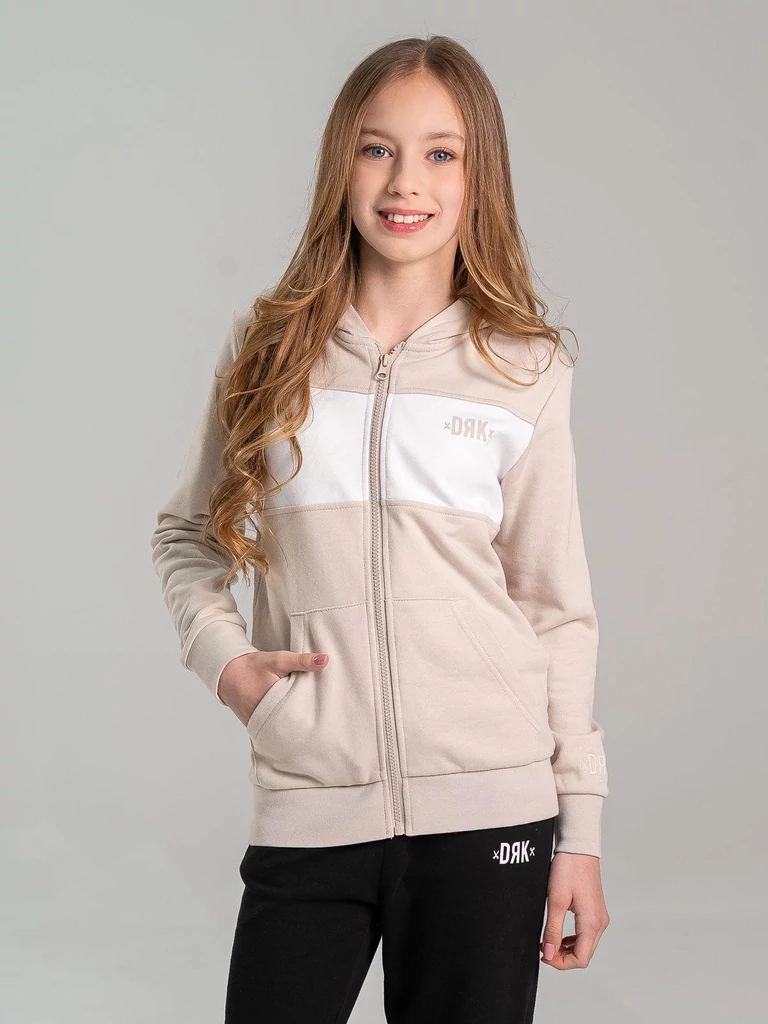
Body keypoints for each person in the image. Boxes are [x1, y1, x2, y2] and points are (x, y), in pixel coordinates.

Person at [150, 33, 610, 1024]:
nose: (407, 181)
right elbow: (187, 534)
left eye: (442, 152)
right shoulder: (269, 348)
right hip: (311, 798)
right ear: (341, 164)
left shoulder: (524, 367)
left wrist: (580, 833)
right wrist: (228, 665)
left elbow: (555, 610)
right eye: (377, 148)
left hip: (493, 810)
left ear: (480, 176)